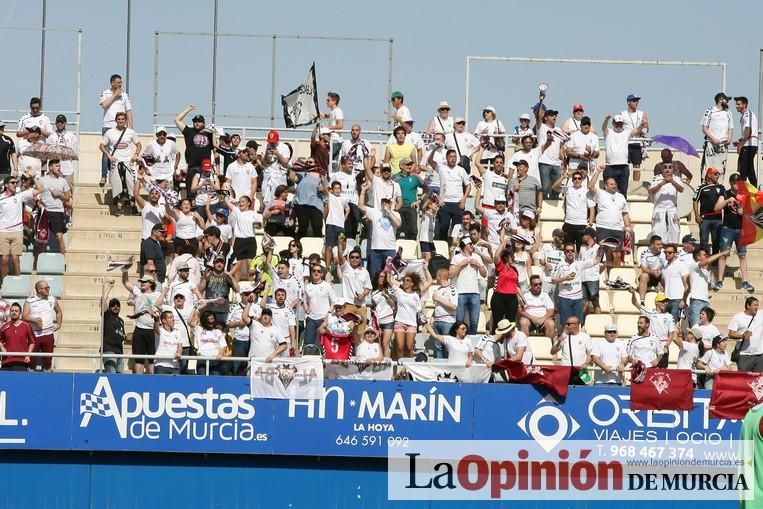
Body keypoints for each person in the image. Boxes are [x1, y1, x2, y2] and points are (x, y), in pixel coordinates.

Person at [715, 173, 754, 292]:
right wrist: (727, 201)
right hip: (728, 228)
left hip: (741, 229)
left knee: (742, 255)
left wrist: (744, 211)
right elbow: (716, 208)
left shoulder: (745, 195)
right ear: (731, 183)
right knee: (724, 254)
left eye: (739, 182)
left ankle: (745, 281)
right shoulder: (725, 193)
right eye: (735, 182)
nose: (737, 185)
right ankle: (719, 280)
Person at [99, 111, 141, 216]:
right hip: (116, 162)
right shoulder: (110, 133)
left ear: (125, 120)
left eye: (123, 119)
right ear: (116, 120)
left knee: (131, 185)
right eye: (119, 119)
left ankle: (133, 207)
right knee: (118, 186)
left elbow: (139, 145)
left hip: (128, 162)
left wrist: (135, 154)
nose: (121, 121)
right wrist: (109, 156)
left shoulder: (131, 132)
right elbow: (101, 146)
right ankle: (119, 208)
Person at [588, 167, 632, 266]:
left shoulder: (621, 197)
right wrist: (598, 171)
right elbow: (590, 186)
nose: (614, 186)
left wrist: (628, 228)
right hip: (603, 228)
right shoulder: (600, 193)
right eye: (611, 184)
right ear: (605, 186)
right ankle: (605, 278)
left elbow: (625, 213)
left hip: (617, 229)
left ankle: (614, 277)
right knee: (605, 254)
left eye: (615, 184)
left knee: (617, 255)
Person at [551, 242, 601, 328]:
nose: (570, 253)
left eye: (572, 251)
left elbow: (596, 260)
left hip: (577, 298)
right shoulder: (559, 265)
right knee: (566, 324)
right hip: (564, 298)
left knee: (577, 323)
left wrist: (602, 248)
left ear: (575, 252)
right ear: (564, 252)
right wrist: (565, 278)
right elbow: (553, 280)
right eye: (568, 251)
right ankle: (565, 340)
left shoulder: (579, 264)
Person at [358, 182, 401, 278]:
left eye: (387, 202)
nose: (385, 204)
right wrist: (363, 191)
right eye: (383, 202)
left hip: (389, 249)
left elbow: (398, 224)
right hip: (375, 249)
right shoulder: (375, 212)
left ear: (391, 203)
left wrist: (389, 211)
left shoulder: (395, 213)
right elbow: (361, 206)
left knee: (390, 275)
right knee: (375, 274)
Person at [0, 175, 41, 277]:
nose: (15, 184)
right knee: (4, 259)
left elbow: (40, 189)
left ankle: (18, 281)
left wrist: (34, 177)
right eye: (12, 183)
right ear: (6, 185)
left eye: (15, 183)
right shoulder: (0, 198)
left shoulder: (19, 196)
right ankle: (4, 284)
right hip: (3, 232)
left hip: (17, 232)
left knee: (15, 258)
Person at [121, 271, 160, 374]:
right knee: (138, 358)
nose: (142, 283)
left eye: (145, 282)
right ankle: (139, 380)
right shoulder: (138, 292)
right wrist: (125, 271)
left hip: (152, 330)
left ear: (151, 283)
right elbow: (125, 282)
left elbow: (162, 309)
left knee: (152, 358)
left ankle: (152, 380)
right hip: (139, 329)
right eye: (141, 281)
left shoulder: (158, 295)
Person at [174, 105, 215, 198]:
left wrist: (214, 132)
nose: (196, 123)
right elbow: (177, 120)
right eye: (195, 121)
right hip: (192, 167)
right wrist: (188, 110)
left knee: (205, 193)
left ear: (204, 123)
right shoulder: (189, 131)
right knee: (191, 194)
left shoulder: (208, 133)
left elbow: (215, 146)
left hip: (205, 168)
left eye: (199, 121)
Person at [99, 74, 133, 186]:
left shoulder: (124, 95)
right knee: (106, 152)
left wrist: (131, 126)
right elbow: (104, 105)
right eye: (118, 83)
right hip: (108, 126)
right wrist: (115, 95)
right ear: (112, 83)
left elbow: (128, 110)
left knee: (119, 152)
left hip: (121, 127)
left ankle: (117, 176)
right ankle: (104, 175)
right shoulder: (105, 93)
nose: (120, 85)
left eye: (121, 83)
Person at [390, 269, 432, 359]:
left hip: (412, 324)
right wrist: (388, 268)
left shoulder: (416, 296)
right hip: (399, 322)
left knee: (409, 347)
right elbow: (389, 281)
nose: (405, 282)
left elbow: (418, 310)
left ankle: (410, 367)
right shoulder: (399, 291)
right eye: (404, 280)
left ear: (412, 284)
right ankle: (400, 365)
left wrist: (424, 320)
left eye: (408, 280)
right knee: (400, 347)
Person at [22, 280, 62, 372]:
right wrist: (34, 319)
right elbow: (24, 316)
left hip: (48, 334)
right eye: (46, 288)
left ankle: (47, 380)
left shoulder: (52, 299)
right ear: (39, 290)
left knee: (48, 362)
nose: (48, 289)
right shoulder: (30, 301)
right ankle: (31, 379)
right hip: (34, 335)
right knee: (31, 361)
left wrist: (59, 324)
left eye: (49, 287)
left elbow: (58, 311)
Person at [336, 239, 372, 342]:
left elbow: (368, 287)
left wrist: (363, 295)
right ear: (349, 258)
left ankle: (359, 356)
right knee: (347, 332)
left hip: (361, 306)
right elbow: (340, 257)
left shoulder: (365, 272)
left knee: (360, 334)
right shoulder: (346, 268)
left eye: (357, 257)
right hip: (348, 305)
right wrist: (339, 244)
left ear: (360, 259)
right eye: (352, 257)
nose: (354, 259)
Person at [685, 247, 730, 327]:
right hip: (697, 301)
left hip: (705, 302)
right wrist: (722, 253)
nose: (707, 257)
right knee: (696, 328)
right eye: (705, 255)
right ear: (698, 257)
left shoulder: (706, 272)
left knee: (705, 328)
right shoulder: (694, 266)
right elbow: (708, 261)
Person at [451, 237, 487, 334]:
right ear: (464, 246)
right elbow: (451, 274)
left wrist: (479, 265)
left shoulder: (477, 257)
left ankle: (472, 339)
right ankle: (458, 340)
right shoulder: (456, 257)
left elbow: (484, 274)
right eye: (470, 244)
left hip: (475, 293)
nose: (472, 245)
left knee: (474, 321)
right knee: (459, 320)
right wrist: (460, 265)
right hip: (461, 292)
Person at [629, 291, 675, 368]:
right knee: (651, 368)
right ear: (657, 303)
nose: (665, 303)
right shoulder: (650, 313)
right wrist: (633, 293)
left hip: (663, 345)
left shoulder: (669, 316)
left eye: (666, 302)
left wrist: (666, 346)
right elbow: (635, 303)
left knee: (662, 371)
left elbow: (671, 333)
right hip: (652, 345)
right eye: (663, 301)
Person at [552, 170, 595, 250]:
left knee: (581, 249)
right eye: (575, 178)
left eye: (579, 178)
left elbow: (592, 208)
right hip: (568, 223)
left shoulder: (587, 191)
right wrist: (563, 177)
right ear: (572, 180)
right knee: (568, 248)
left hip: (581, 224)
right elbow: (554, 187)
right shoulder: (568, 189)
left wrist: (590, 224)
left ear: (582, 180)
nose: (577, 180)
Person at [224, 194, 261, 282]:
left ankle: (250, 289)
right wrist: (225, 193)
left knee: (250, 267)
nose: (241, 203)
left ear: (249, 203)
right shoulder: (237, 211)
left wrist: (257, 225)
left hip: (250, 241)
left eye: (243, 201)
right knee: (237, 267)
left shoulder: (253, 213)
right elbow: (227, 202)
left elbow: (259, 226)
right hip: (239, 241)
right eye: (240, 202)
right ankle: (236, 289)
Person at [37, 160, 71, 255]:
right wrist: (38, 203)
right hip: (45, 211)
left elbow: (68, 198)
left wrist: (59, 194)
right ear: (50, 167)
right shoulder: (42, 180)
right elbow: (34, 194)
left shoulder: (63, 181)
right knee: (42, 240)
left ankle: (63, 260)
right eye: (56, 166)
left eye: (59, 166)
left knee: (59, 237)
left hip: (57, 212)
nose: (59, 168)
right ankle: (37, 263)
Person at [602, 113, 640, 196]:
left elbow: (637, 131)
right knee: (607, 192)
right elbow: (603, 127)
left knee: (623, 193)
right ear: (613, 123)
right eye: (617, 123)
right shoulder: (608, 132)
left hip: (623, 167)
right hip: (610, 166)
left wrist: (642, 125)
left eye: (620, 124)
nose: (619, 125)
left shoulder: (626, 132)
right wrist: (606, 119)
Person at [491, 232, 522, 329]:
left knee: (511, 323)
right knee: (498, 322)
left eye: (513, 256)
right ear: (505, 257)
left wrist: (523, 299)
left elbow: (516, 286)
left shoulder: (515, 269)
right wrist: (504, 242)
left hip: (512, 298)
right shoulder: (500, 266)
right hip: (499, 297)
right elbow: (496, 256)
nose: (513, 258)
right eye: (510, 257)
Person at [303, 264, 339, 346]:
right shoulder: (307, 287)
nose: (316, 273)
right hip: (311, 318)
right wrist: (306, 308)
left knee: (326, 344)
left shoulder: (327, 286)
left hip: (324, 318)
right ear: (311, 273)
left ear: (322, 274)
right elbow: (305, 300)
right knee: (309, 344)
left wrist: (328, 315)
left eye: (318, 271)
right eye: (314, 271)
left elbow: (334, 301)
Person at [649, 163, 684, 244]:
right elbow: (651, 191)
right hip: (659, 209)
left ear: (673, 169)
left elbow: (681, 189)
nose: (667, 169)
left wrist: (672, 181)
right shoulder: (657, 178)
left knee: (674, 234)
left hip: (672, 210)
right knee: (658, 233)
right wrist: (662, 183)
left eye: (670, 167)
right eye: (665, 168)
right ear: (662, 169)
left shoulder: (677, 178)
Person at [700, 92, 734, 176]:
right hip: (711, 144)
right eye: (726, 100)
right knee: (709, 168)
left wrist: (729, 139)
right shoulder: (710, 111)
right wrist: (713, 139)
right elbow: (704, 128)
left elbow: (731, 128)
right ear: (720, 100)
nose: (727, 102)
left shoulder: (728, 113)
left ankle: (719, 186)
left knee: (720, 169)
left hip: (723, 145)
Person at [693, 167, 724, 255]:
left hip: (717, 218)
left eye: (718, 174)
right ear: (709, 175)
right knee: (703, 241)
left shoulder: (721, 187)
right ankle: (704, 259)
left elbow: (725, 201)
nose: (717, 175)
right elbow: (695, 201)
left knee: (716, 240)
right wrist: (696, 215)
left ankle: (714, 261)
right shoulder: (701, 187)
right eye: (715, 174)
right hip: (705, 219)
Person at [198, 255, 238, 325]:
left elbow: (237, 289)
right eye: (217, 262)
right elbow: (200, 290)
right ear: (214, 263)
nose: (219, 264)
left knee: (222, 332)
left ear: (224, 264)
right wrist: (205, 277)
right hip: (210, 310)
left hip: (223, 310)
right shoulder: (208, 274)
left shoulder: (226, 276)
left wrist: (230, 276)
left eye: (221, 262)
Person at [392, 158, 426, 240]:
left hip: (411, 207)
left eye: (410, 164)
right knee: (397, 230)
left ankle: (411, 250)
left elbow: (427, 189)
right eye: (407, 164)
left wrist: (419, 200)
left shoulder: (415, 177)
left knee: (413, 231)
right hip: (398, 208)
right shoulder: (394, 178)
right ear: (401, 166)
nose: (409, 166)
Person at [727, 297, 763, 372]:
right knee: (743, 379)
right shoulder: (738, 317)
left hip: (760, 355)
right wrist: (742, 335)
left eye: (757, 305)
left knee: (758, 381)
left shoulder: (760, 314)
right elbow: (731, 333)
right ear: (748, 305)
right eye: (755, 305)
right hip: (744, 355)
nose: (757, 307)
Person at [535, 106, 563, 200]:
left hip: (556, 163)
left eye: (555, 115)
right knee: (545, 187)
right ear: (546, 117)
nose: (554, 117)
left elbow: (561, 147)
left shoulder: (559, 130)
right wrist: (541, 99)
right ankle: (542, 206)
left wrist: (563, 160)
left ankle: (554, 208)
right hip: (544, 161)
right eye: (551, 115)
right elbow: (538, 116)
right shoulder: (541, 127)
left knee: (557, 188)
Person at [621, 94, 649, 182]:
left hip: (637, 142)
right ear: (628, 102)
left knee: (637, 165)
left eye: (637, 101)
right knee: (624, 164)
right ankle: (623, 182)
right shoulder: (622, 114)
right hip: (626, 142)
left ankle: (635, 184)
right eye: (634, 101)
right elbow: (619, 128)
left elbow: (646, 128)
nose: (636, 102)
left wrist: (641, 130)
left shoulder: (642, 113)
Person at [0, 302, 36, 371]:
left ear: (20, 313)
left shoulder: (26, 326)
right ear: (10, 312)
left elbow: (32, 342)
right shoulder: (5, 327)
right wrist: (2, 348)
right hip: (6, 362)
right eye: (12, 310)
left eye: (16, 311)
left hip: (21, 362)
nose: (14, 312)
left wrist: (28, 355)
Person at [194, 310, 230, 376]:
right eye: (208, 319)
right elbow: (190, 322)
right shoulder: (199, 330)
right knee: (201, 382)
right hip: (202, 361)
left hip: (215, 361)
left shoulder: (218, 332)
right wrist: (197, 309)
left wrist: (221, 354)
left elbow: (223, 346)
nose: (210, 321)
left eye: (212, 319)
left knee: (214, 381)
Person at [323, 178, 349, 267]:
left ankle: (340, 265)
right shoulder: (330, 196)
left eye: (339, 188)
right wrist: (323, 177)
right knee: (329, 246)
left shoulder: (344, 199)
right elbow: (325, 189)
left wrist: (344, 219)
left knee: (340, 246)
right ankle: (327, 267)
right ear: (332, 189)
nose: (337, 190)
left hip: (340, 226)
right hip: (331, 224)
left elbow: (347, 209)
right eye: (335, 188)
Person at [101, 280, 125, 374]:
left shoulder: (121, 321)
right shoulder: (107, 316)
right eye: (113, 305)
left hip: (119, 351)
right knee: (111, 374)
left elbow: (121, 335)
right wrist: (109, 287)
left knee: (119, 377)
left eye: (117, 305)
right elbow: (103, 302)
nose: (115, 307)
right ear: (109, 307)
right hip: (109, 350)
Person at [734, 96, 759, 187]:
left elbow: (749, 131)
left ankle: (741, 192)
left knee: (743, 170)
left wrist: (741, 145)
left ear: (744, 105)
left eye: (738, 104)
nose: (736, 106)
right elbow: (746, 133)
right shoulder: (743, 116)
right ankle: (756, 193)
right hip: (747, 144)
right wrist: (740, 140)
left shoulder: (748, 114)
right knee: (749, 170)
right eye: (736, 104)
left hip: (750, 145)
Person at [47, 114, 78, 185]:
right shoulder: (52, 137)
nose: (60, 124)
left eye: (62, 122)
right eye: (58, 122)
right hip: (55, 170)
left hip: (68, 170)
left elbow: (75, 153)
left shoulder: (71, 136)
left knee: (68, 193)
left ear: (65, 123)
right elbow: (48, 153)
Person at [370, 272, 396, 357]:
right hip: (377, 320)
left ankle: (387, 365)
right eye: (380, 276)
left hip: (388, 320)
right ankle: (379, 364)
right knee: (377, 344)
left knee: (385, 344)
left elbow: (394, 305)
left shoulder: (389, 290)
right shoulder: (372, 291)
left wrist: (387, 296)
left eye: (384, 277)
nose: (382, 278)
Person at [153, 310, 184, 375]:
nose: (173, 319)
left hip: (175, 366)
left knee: (176, 385)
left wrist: (179, 352)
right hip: (161, 365)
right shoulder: (160, 331)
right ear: (164, 320)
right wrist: (156, 319)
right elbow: (156, 328)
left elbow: (180, 347)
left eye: (173, 317)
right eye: (170, 318)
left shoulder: (177, 332)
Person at [578, 228, 602, 314]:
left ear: (589, 236)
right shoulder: (582, 247)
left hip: (593, 278)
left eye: (583, 235)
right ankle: (584, 323)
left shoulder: (598, 248)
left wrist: (595, 273)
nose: (581, 236)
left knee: (595, 302)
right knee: (584, 302)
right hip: (582, 278)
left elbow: (604, 264)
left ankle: (598, 321)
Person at [321, 91, 344, 159]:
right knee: (333, 163)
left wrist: (327, 128)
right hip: (333, 140)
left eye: (328, 100)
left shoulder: (337, 111)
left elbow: (340, 125)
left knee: (325, 158)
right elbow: (326, 116)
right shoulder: (333, 112)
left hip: (335, 140)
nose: (326, 102)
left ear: (334, 101)